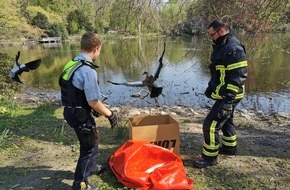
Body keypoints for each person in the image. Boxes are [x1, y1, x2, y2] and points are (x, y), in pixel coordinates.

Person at [59, 32, 118, 190]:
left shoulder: (73, 63)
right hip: (80, 115)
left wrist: (93, 108)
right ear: (96, 48)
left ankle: (92, 168)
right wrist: (109, 114)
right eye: (100, 50)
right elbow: (93, 101)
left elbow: (74, 90)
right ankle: (80, 183)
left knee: (93, 139)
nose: (99, 53)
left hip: (71, 110)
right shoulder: (87, 70)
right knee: (88, 147)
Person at [193, 20, 248, 168]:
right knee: (227, 119)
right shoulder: (222, 45)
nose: (211, 37)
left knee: (210, 124)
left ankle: (209, 158)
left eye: (212, 34)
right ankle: (230, 148)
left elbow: (239, 76)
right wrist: (212, 88)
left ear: (222, 30)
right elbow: (220, 71)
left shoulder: (233, 48)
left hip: (230, 95)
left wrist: (228, 100)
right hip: (226, 94)